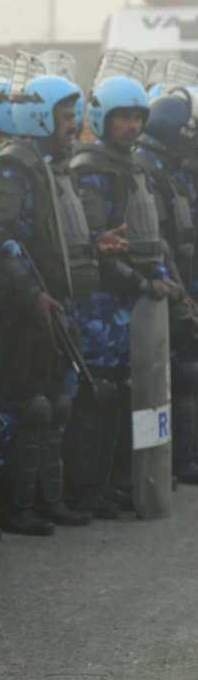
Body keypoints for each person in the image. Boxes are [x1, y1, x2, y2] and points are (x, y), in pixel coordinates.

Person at [0, 73, 94, 532]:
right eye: (64, 116)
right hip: (22, 310)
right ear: (40, 115)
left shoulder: (53, 163)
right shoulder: (15, 164)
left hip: (56, 301)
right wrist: (31, 293)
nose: (73, 125)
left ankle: (50, 500)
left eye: (73, 115)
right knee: (31, 407)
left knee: (58, 402)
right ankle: (18, 507)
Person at [66, 72, 177, 520]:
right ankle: (84, 489)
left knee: (126, 395)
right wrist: (141, 283)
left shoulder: (133, 167)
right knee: (98, 397)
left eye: (137, 118)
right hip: (101, 305)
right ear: (102, 119)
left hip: (131, 303)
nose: (132, 127)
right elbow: (99, 244)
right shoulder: (90, 170)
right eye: (123, 118)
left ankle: (114, 481)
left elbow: (150, 237)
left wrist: (165, 281)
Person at [137, 89, 198, 484]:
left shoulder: (173, 170)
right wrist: (182, 292)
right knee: (171, 375)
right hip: (158, 290)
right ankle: (169, 461)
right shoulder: (150, 170)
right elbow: (160, 240)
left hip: (180, 284)